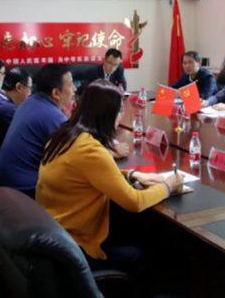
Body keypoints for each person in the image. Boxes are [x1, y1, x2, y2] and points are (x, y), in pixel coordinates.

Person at [36, 79, 184, 277]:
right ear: (108, 115)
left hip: (57, 233)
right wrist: (167, 186)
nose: (121, 117)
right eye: (119, 111)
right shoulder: (90, 150)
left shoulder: (64, 135)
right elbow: (134, 202)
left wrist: (132, 174)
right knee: (143, 250)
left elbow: (91, 173)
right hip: (76, 245)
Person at [0, 64, 75, 198]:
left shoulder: (29, 102)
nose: (75, 89)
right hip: (24, 191)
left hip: (4, 185)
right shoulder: (52, 116)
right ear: (56, 93)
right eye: (70, 85)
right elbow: (78, 156)